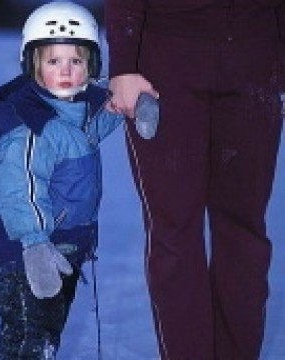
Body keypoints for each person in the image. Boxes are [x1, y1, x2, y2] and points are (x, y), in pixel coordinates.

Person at [105, 0, 284, 359]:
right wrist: (123, 66)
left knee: (244, 228)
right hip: (164, 68)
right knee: (173, 227)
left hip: (255, 59)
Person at [0, 2, 124, 359]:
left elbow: (98, 122)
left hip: (65, 245)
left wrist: (130, 103)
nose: (65, 71)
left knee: (45, 333)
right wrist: (34, 244)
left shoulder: (75, 111)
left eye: (76, 61)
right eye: (53, 61)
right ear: (32, 65)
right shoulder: (30, 128)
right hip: (28, 251)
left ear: (92, 64)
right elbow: (18, 190)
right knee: (33, 338)